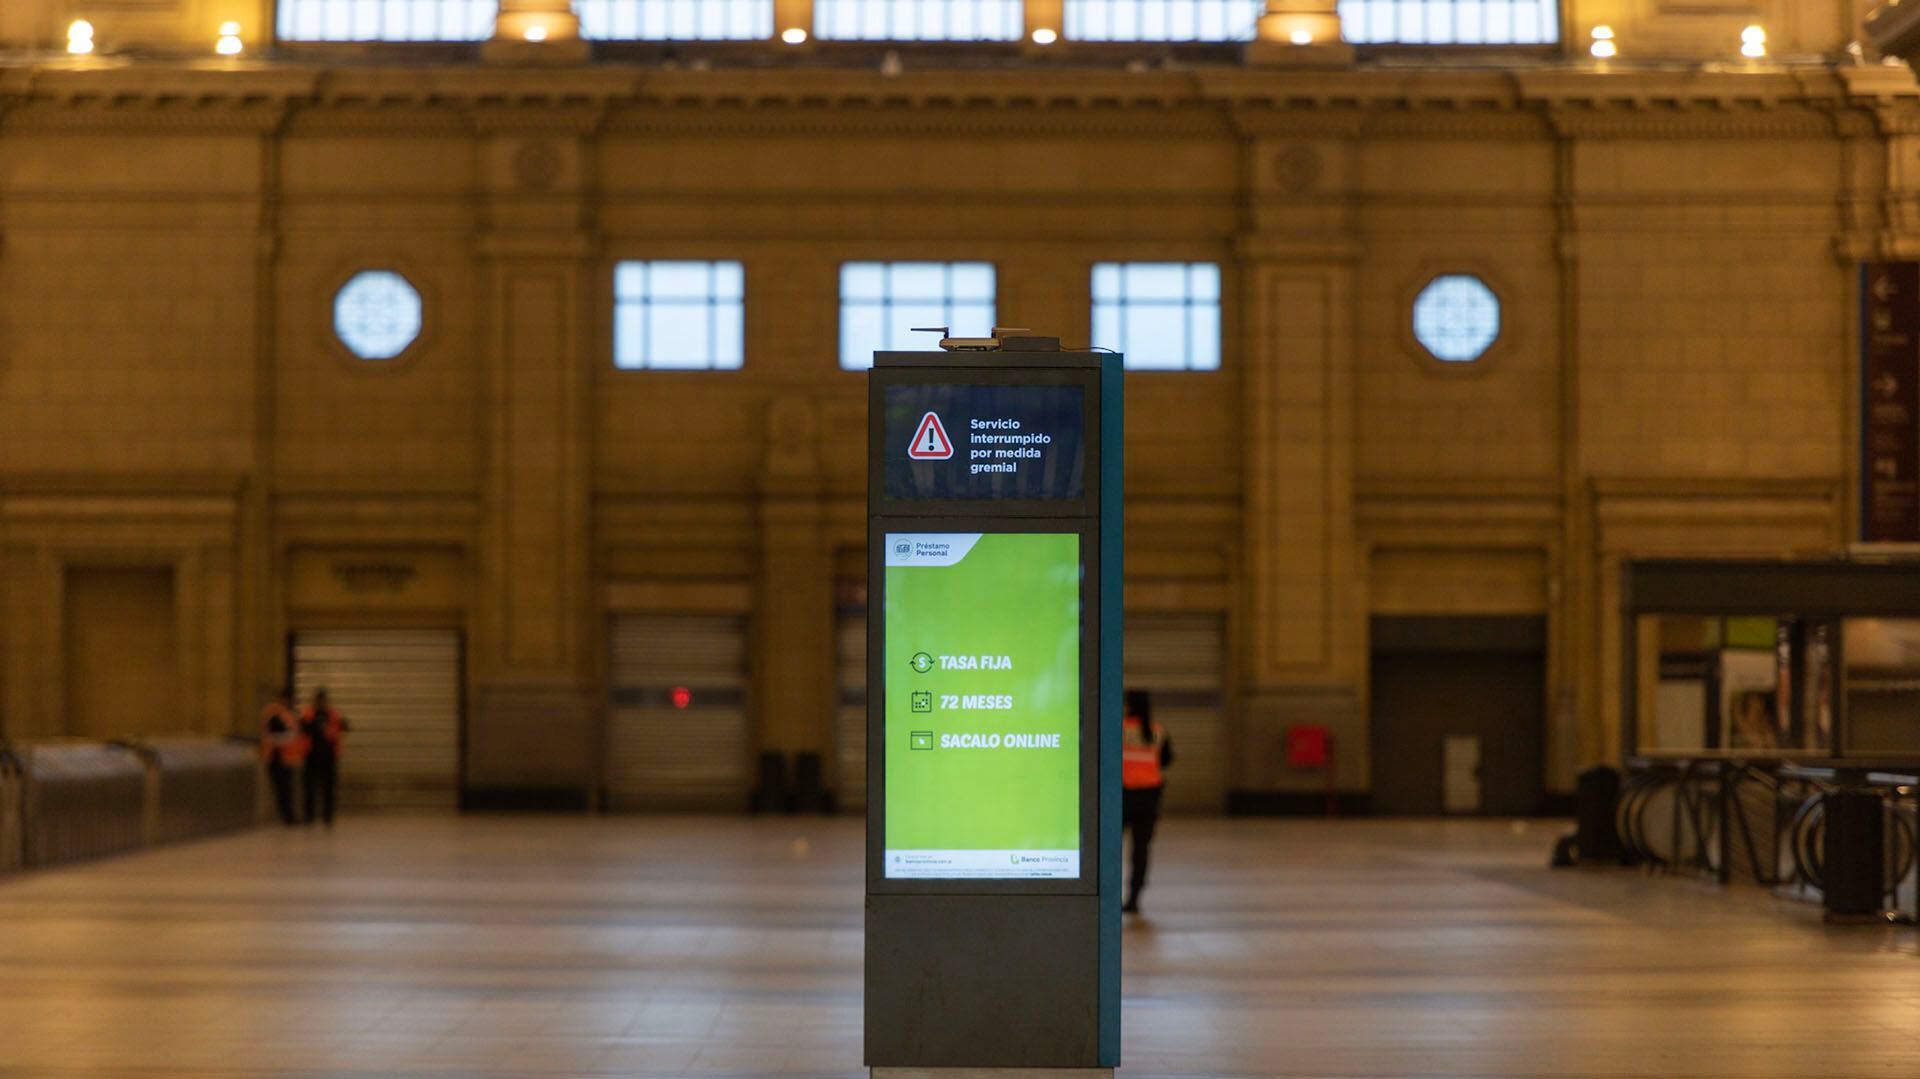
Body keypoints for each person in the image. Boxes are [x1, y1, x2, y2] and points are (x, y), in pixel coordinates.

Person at [1121, 688, 1173, 914]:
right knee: (1141, 849)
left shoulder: (1120, 728)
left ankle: (1110, 893)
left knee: (1113, 849)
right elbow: (1167, 760)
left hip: (1123, 795)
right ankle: (1134, 898)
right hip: (1150, 797)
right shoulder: (1157, 731)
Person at [299, 689, 349, 826]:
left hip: (329, 757)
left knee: (328, 787)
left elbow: (344, 726)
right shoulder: (308, 714)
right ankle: (309, 815)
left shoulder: (333, 714)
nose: (321, 703)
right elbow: (302, 728)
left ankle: (328, 816)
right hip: (311, 756)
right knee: (309, 787)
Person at [258, 690, 304, 826]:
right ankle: (287, 816)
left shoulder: (286, 714)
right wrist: (290, 737)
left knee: (287, 788)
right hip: (277, 757)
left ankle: (288, 815)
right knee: (283, 789)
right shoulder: (275, 713)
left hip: (286, 759)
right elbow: (275, 735)